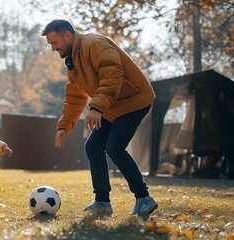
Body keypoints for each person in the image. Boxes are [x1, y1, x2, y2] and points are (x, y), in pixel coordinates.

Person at [41, 19, 158, 217]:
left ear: (67, 35)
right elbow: (75, 96)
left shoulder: (93, 44)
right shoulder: (73, 60)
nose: (53, 48)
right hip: (111, 105)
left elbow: (113, 74)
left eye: (54, 43)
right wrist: (64, 126)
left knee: (114, 147)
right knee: (93, 146)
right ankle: (102, 202)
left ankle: (144, 198)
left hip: (133, 100)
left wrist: (96, 108)